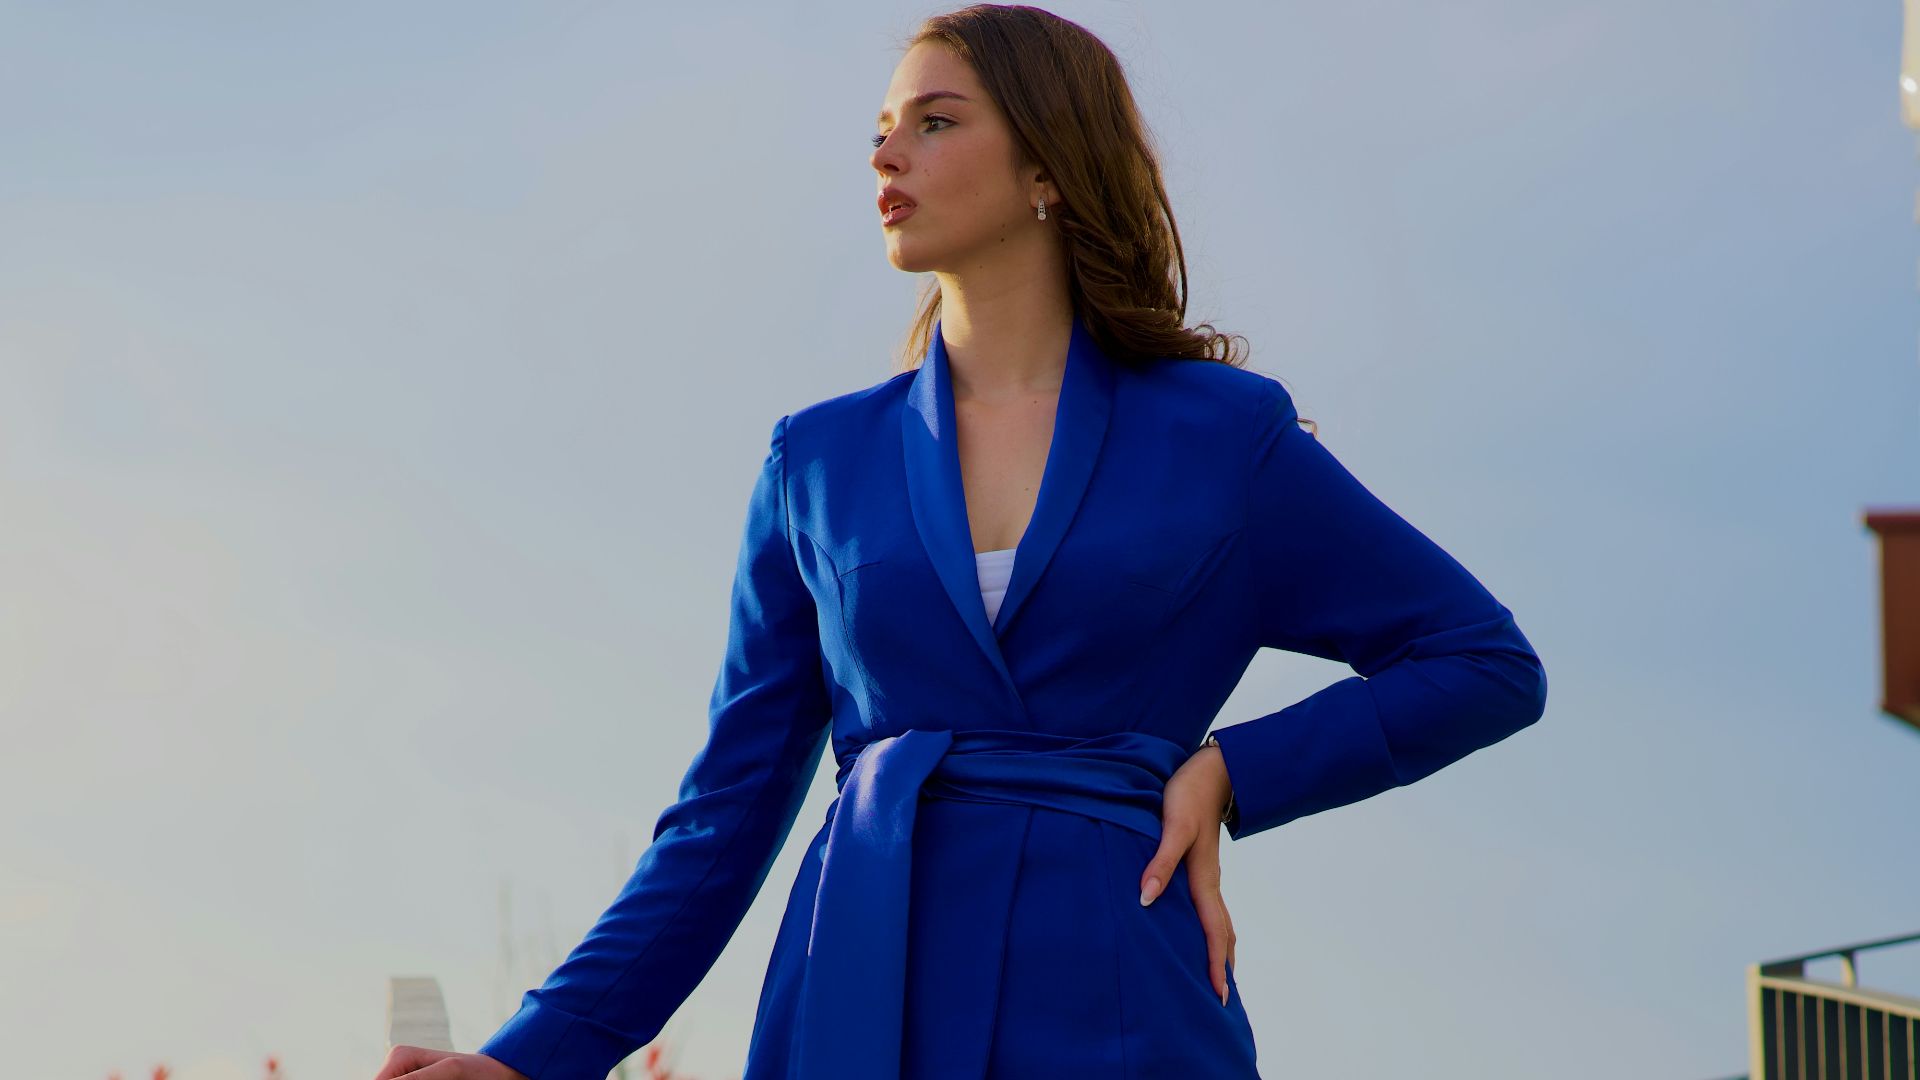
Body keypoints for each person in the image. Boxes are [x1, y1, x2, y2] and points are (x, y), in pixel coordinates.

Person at [374, 5, 1549, 1079]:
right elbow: (726, 812)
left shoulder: (1221, 436)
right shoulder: (815, 464)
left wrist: (1234, 770)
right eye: (883, 130)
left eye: (935, 123)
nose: (887, 157)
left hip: (1121, 996)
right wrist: (533, 1056)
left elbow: (1481, 663)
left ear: (1047, 163)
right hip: (857, 992)